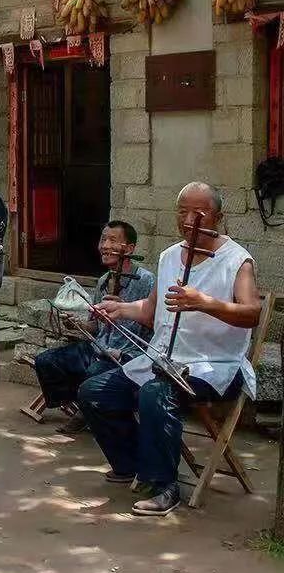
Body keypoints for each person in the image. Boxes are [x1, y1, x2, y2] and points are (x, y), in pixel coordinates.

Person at [78, 182, 262, 517]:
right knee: (94, 392)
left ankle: (164, 487)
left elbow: (251, 313)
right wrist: (121, 309)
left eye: (199, 213)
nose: (189, 220)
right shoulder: (169, 257)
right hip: (164, 360)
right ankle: (133, 464)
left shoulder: (237, 261)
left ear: (218, 217)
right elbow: (151, 312)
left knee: (156, 392)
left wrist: (203, 302)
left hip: (214, 366)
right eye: (182, 212)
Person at [34, 221, 155, 434]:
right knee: (46, 361)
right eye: (103, 239)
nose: (105, 246)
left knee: (93, 373)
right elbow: (97, 326)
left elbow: (156, 324)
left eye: (112, 240)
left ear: (129, 249)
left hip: (128, 353)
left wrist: (126, 312)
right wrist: (78, 324)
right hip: (98, 348)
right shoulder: (103, 281)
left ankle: (90, 409)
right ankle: (83, 407)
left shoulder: (147, 281)